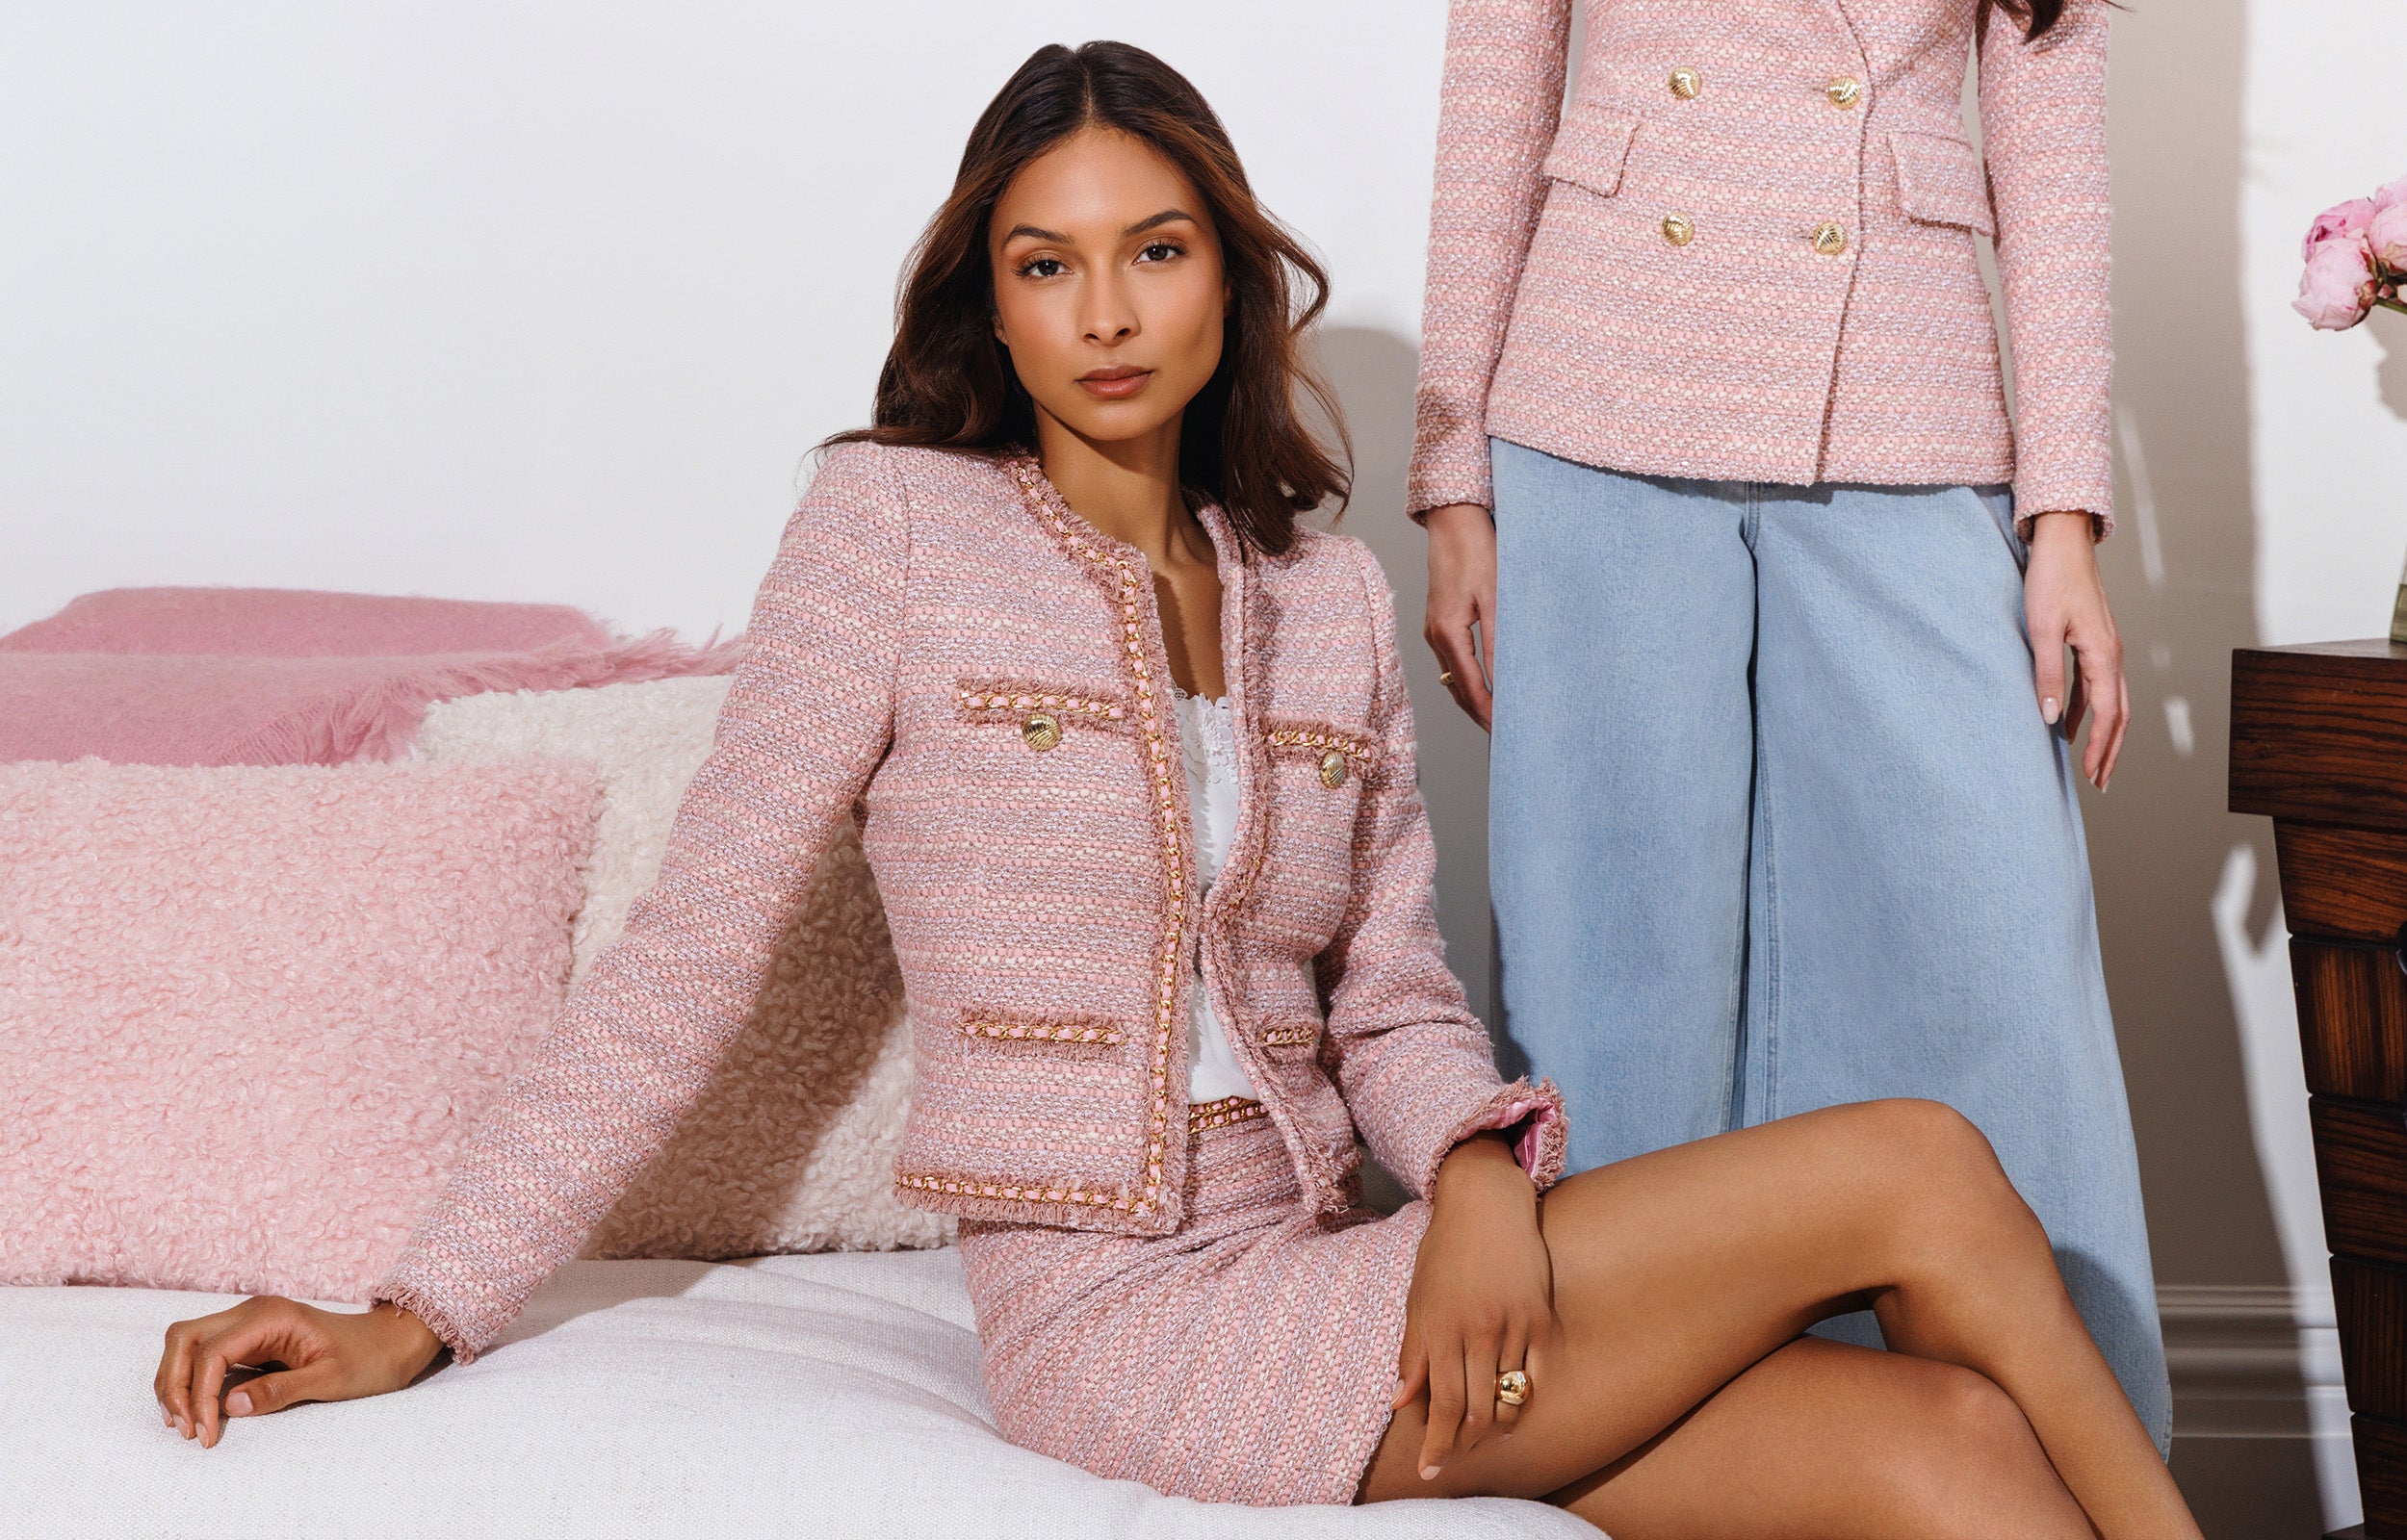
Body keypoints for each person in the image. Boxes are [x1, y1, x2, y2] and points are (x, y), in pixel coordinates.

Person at [154, 41, 2199, 1537]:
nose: (1104, 313)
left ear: (1227, 270)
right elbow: (685, 959)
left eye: (1149, 251)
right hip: (1122, 1318)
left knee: (1945, 1448)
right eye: (1044, 267)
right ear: (990, 296)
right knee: (1917, 1167)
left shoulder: (1314, 592)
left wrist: (1477, 1171)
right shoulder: (887, 539)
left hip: (1329, 1256)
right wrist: (417, 1305)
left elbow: (1390, 996)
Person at [1411, 0, 2171, 1446]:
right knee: (1608, 997)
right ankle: (1634, 1479)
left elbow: (2053, 141)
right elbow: (1495, 86)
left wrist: (2062, 513)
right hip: (1596, 388)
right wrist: (1455, 473)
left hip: (1909, 392)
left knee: (1993, 969)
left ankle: (2071, 1485)